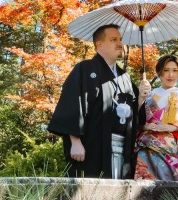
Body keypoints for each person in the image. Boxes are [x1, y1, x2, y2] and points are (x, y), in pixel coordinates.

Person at [48, 24, 152, 179]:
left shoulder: (125, 77)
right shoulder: (85, 69)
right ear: (99, 44)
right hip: (92, 145)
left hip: (122, 147)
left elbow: (132, 116)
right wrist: (75, 141)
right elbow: (72, 104)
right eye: (113, 39)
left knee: (119, 195)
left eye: (120, 39)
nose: (119, 43)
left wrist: (141, 98)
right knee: (91, 193)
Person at [134, 54, 178, 183]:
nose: (171, 75)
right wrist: (144, 125)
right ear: (159, 72)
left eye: (175, 70)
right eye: (166, 70)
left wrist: (172, 127)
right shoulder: (148, 96)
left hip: (172, 154)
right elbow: (134, 120)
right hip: (147, 152)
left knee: (170, 193)